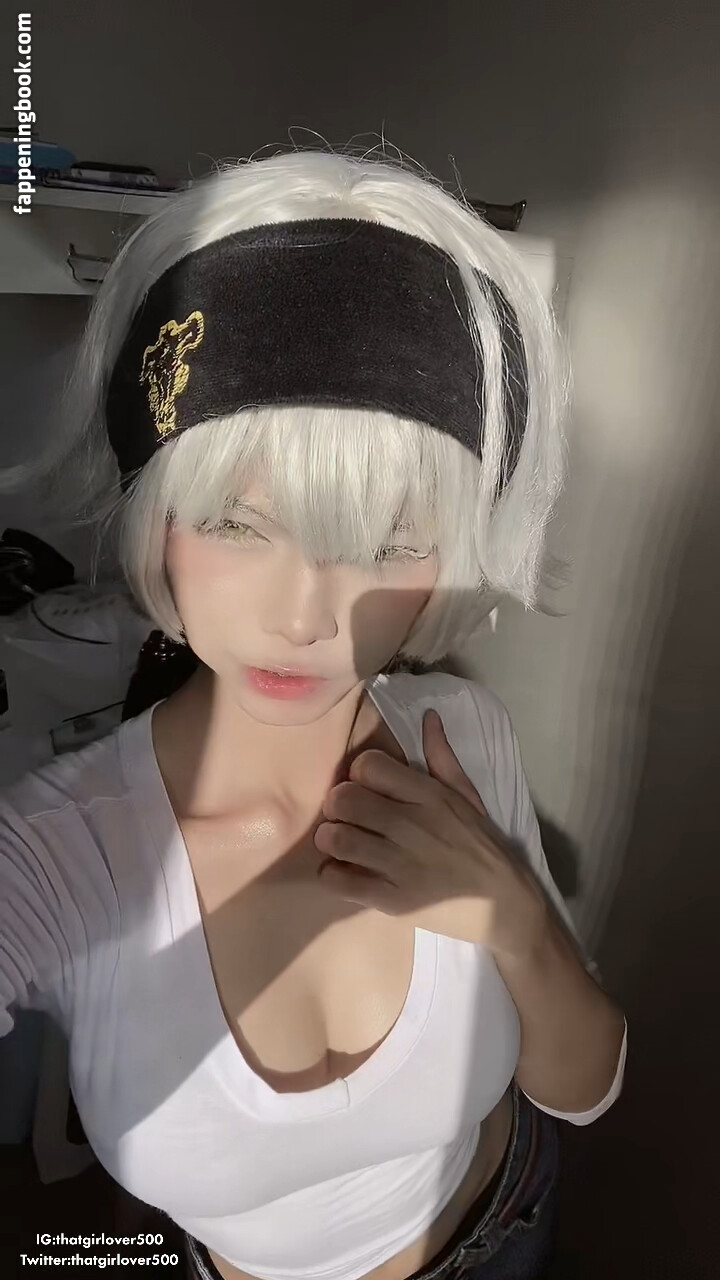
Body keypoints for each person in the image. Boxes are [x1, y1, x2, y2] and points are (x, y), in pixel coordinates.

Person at [0, 146, 627, 1280]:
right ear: (157, 514)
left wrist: (516, 920)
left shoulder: (458, 737)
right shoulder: (59, 855)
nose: (307, 619)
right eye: (238, 525)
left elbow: (581, 1089)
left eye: (390, 543)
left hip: (508, 1222)